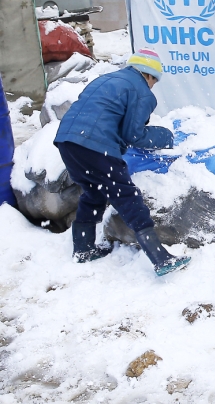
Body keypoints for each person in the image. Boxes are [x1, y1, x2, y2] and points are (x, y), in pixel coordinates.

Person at [53, 49, 191, 276]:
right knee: (126, 195)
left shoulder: (106, 79)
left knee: (93, 192)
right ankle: (160, 257)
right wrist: (164, 136)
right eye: (154, 81)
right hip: (95, 145)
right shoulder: (141, 91)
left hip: (68, 142)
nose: (152, 86)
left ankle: (83, 248)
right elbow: (133, 134)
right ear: (148, 75)